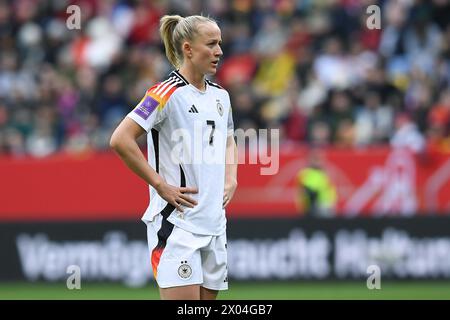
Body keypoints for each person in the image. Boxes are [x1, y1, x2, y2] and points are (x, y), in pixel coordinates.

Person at [110, 14, 238, 300]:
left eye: (220, 44)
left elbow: (229, 139)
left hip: (215, 223)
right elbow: (120, 139)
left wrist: (231, 178)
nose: (219, 51)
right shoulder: (163, 93)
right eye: (212, 44)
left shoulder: (221, 96)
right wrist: (159, 185)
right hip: (177, 225)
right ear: (188, 49)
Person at [296, 150, 336, 217]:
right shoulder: (307, 173)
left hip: (325, 206)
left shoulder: (322, 172)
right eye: (316, 159)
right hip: (318, 207)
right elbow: (308, 192)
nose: (319, 162)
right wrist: (311, 207)